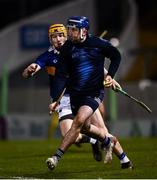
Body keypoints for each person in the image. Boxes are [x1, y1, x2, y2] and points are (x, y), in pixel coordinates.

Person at [46, 16, 133, 170]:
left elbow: (116, 56)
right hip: (75, 94)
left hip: (93, 93)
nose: (70, 33)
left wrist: (110, 76)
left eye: (74, 30)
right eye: (70, 29)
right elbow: (60, 76)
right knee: (87, 128)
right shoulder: (67, 48)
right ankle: (120, 155)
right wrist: (56, 99)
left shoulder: (98, 44)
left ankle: (56, 157)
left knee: (78, 121)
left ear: (84, 31)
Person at [22, 23, 103, 162]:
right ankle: (94, 142)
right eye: (54, 37)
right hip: (62, 100)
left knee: (102, 129)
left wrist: (107, 78)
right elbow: (29, 72)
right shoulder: (46, 56)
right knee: (70, 136)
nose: (58, 39)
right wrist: (29, 70)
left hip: (83, 95)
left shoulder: (76, 50)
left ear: (66, 37)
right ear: (50, 39)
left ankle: (120, 154)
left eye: (61, 35)